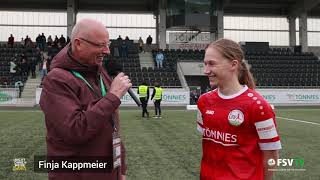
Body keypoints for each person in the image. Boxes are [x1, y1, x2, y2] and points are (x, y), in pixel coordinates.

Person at [39, 19, 131, 180]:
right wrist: (112, 97)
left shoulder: (100, 72)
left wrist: (119, 167)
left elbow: (112, 124)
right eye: (100, 45)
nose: (107, 51)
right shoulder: (56, 80)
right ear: (78, 44)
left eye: (107, 44)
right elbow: (75, 130)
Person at [196, 38, 281, 180]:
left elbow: (271, 155)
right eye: (205, 64)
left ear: (233, 64)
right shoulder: (204, 101)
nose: (206, 70)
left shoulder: (258, 106)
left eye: (212, 64)